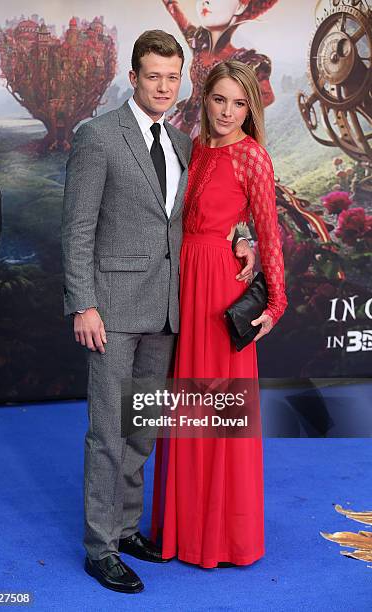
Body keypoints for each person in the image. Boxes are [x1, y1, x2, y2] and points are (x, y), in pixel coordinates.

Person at [62, 30, 255, 593]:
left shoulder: (182, 143)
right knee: (106, 432)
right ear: (134, 76)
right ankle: (101, 548)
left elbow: (212, 211)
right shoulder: (98, 137)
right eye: (154, 76)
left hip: (168, 310)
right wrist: (84, 304)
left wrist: (244, 237)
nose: (165, 87)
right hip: (113, 311)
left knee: (141, 428)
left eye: (173, 77)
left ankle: (125, 529)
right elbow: (76, 229)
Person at [152, 60, 288, 568]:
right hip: (181, 279)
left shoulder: (253, 157)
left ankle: (221, 538)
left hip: (217, 289)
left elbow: (268, 232)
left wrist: (276, 301)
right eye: (219, 100)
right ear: (204, 99)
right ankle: (183, 530)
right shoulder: (191, 145)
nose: (228, 112)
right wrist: (241, 234)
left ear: (250, 107)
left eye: (239, 103)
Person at [161, 0, 278, 137]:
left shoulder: (245, 60)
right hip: (183, 121)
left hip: (210, 132)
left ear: (241, 6)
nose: (206, 2)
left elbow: (267, 96)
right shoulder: (199, 43)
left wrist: (231, 116)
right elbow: (173, 9)